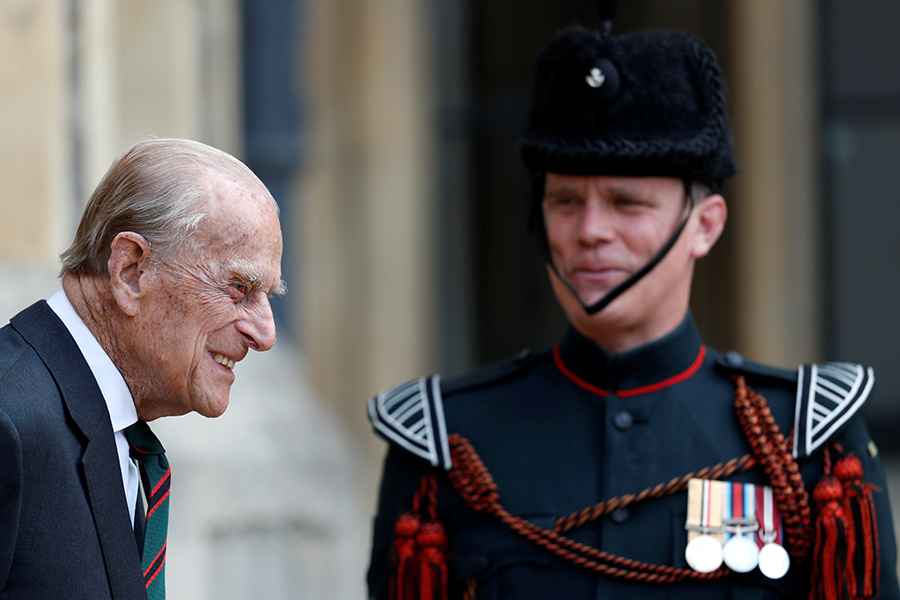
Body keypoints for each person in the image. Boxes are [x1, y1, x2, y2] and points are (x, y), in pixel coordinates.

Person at [367, 23, 899, 600]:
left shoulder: (809, 438)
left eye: (627, 203)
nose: (591, 231)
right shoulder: (445, 442)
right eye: (565, 201)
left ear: (706, 225)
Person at [0, 138, 284, 599]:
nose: (265, 334)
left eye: (269, 296)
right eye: (239, 287)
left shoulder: (115, 434)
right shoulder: (10, 420)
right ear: (131, 271)